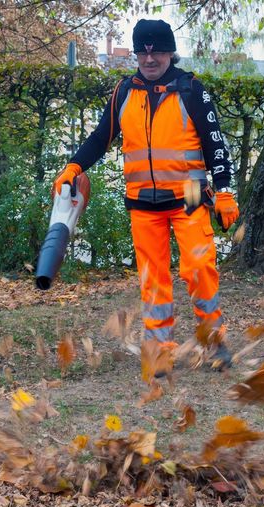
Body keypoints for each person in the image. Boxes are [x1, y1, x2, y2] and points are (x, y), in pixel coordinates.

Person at [53, 19, 239, 370]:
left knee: (199, 269)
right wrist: (74, 167)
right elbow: (100, 137)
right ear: (137, 54)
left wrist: (226, 191)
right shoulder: (124, 92)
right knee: (153, 279)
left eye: (157, 52)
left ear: (170, 53)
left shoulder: (192, 90)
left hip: (191, 194)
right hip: (142, 201)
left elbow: (217, 145)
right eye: (143, 52)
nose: (149, 59)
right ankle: (159, 350)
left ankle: (214, 343)